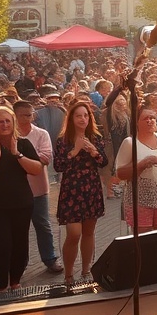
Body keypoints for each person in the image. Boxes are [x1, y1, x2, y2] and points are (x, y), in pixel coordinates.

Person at [0, 106, 44, 292]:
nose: (4, 125)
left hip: (21, 204)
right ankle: (1, 287)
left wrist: (16, 154)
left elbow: (36, 169)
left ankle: (15, 281)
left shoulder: (23, 144)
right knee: (2, 246)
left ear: (13, 123)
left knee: (20, 245)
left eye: (7, 121)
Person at [53, 100, 108, 286]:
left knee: (89, 232)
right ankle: (69, 273)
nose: (83, 119)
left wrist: (94, 153)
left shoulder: (96, 138)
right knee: (74, 233)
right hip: (71, 190)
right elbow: (58, 165)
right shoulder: (63, 140)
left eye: (86, 115)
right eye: (79, 116)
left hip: (91, 188)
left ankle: (86, 270)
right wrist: (74, 150)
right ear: (71, 119)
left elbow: (104, 162)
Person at [13, 101, 63, 273]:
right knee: (18, 227)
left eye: (31, 114)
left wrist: (19, 158)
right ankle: (20, 263)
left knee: (42, 224)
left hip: (38, 187)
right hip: (15, 189)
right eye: (25, 115)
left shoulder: (41, 134)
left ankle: (50, 258)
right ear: (15, 115)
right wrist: (30, 160)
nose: (29, 118)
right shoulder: (9, 135)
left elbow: (45, 158)